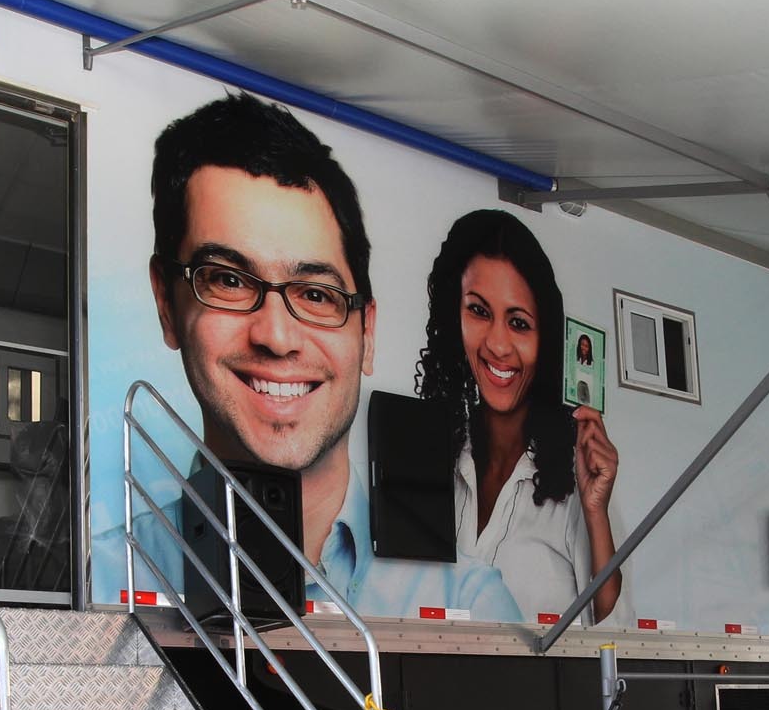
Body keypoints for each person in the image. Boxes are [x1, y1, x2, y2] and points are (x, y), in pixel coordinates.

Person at [101, 93, 516, 621]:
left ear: (367, 332)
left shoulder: (471, 602)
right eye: (228, 280)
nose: (276, 335)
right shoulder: (111, 576)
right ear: (166, 303)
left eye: (316, 294)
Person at [415, 209, 624, 624]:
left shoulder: (576, 471)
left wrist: (596, 509)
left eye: (518, 323)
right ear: (452, 318)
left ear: (544, 339)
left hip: (548, 688)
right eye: (479, 311)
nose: (498, 344)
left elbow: (607, 613)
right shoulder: (436, 460)